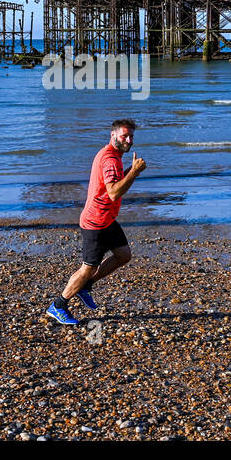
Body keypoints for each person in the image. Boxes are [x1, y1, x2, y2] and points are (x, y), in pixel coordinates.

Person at [46, 119, 146, 325]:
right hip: (96, 223)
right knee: (88, 268)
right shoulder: (110, 159)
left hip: (107, 219)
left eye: (131, 136)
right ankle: (58, 305)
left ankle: (85, 286)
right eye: (124, 136)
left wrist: (129, 171)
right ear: (113, 136)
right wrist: (134, 172)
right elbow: (113, 192)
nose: (128, 140)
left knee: (123, 255)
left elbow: (114, 184)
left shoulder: (114, 156)